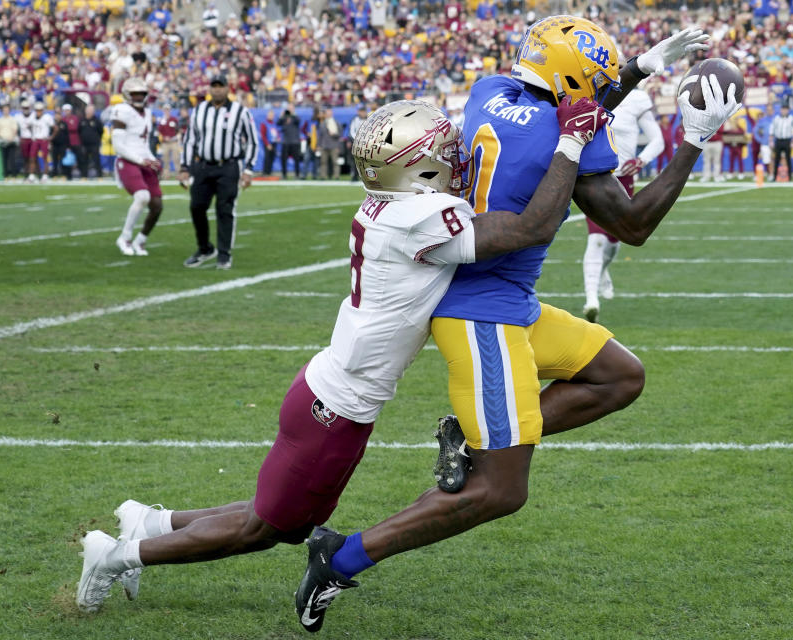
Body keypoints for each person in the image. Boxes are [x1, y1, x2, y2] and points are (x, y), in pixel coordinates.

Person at [73, 96, 610, 616]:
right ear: (416, 170)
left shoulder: (396, 205)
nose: (456, 158)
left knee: (282, 519)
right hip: (335, 407)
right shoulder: (419, 216)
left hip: (329, 393)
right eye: (443, 152)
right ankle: (115, 555)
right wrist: (569, 141)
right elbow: (531, 227)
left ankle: (151, 521)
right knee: (265, 529)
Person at [292, 18, 739, 634]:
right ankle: (339, 556)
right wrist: (693, 138)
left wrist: (638, 68)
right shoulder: (562, 134)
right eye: (597, 78)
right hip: (482, 316)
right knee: (500, 490)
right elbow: (631, 225)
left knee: (618, 376)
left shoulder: (489, 90)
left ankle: (470, 436)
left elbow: (564, 109)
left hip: (506, 302)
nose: (602, 85)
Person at [582, 88, 664, 323]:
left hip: (622, 178)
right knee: (596, 238)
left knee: (614, 240)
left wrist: (642, 160)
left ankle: (603, 270)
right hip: (593, 174)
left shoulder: (637, 98)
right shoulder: (590, 92)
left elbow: (657, 139)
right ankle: (591, 299)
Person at [179, 74, 259, 269]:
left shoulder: (240, 111)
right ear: (209, 88)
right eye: (213, 86)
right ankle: (205, 248)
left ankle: (224, 254)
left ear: (227, 89)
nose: (216, 89)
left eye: (220, 86)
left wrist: (248, 169)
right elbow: (190, 140)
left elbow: (252, 141)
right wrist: (184, 167)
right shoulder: (199, 110)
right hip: (203, 165)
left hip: (228, 166)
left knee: (225, 209)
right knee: (196, 206)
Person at [111, 77, 164, 257]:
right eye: (135, 94)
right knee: (142, 196)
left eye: (142, 93)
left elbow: (143, 143)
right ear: (127, 94)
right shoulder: (121, 110)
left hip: (143, 159)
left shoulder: (147, 113)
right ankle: (124, 237)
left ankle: (140, 240)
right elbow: (118, 146)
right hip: (127, 160)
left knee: (157, 204)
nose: (139, 97)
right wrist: (140, 160)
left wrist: (152, 159)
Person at [769, 102, 793, 181]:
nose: (784, 111)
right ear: (781, 110)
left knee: (788, 159)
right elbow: (772, 130)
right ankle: (774, 177)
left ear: (788, 110)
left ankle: (789, 177)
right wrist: (771, 141)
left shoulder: (791, 119)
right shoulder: (776, 118)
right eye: (783, 109)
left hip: (787, 140)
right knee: (776, 159)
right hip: (778, 140)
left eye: (785, 109)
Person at [29, 101, 54, 182]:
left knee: (45, 157)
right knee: (32, 157)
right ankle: (32, 175)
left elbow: (55, 128)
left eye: (40, 110)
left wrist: (50, 137)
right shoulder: (32, 117)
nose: (38, 112)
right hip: (36, 139)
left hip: (44, 140)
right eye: (37, 110)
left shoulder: (47, 117)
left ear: (42, 110)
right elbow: (28, 126)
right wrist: (33, 135)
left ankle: (45, 175)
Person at [0, 104, 19, 178]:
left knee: (12, 159)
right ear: (2, 111)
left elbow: (15, 130)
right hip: (3, 141)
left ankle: (14, 175)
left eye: (7, 110)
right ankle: (5, 175)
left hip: (11, 141)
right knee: (4, 159)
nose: (6, 111)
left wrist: (12, 137)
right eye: (4, 110)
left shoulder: (12, 120)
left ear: (9, 111)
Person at [316, 108, 342, 180]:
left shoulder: (336, 123)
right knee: (323, 162)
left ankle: (336, 176)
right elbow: (320, 136)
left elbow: (340, 134)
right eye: (327, 113)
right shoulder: (322, 124)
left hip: (334, 145)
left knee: (335, 162)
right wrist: (318, 145)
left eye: (329, 113)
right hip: (324, 145)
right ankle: (323, 176)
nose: (328, 115)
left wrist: (334, 134)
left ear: (331, 114)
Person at [157, 105, 182, 179]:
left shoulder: (174, 119)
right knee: (165, 159)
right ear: (163, 111)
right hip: (165, 143)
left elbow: (178, 129)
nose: (166, 111)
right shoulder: (162, 120)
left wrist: (174, 137)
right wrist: (164, 137)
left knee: (176, 158)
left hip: (174, 141)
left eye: (168, 110)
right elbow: (159, 131)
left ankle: (179, 174)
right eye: (165, 110)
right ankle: (166, 174)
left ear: (170, 110)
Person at [79, 104, 104, 178]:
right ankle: (84, 176)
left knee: (96, 160)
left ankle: (99, 175)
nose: (90, 112)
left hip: (94, 144)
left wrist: (96, 139)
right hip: (84, 144)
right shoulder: (82, 120)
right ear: (85, 111)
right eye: (88, 110)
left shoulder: (97, 121)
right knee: (84, 160)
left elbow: (101, 131)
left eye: (91, 110)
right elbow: (79, 131)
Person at [277, 108, 302, 179]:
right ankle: (284, 174)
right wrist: (281, 115)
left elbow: (298, 121)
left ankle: (297, 174)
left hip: (294, 142)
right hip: (286, 142)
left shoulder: (295, 118)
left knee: (296, 160)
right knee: (283, 160)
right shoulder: (284, 118)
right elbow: (278, 123)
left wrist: (293, 113)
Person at [346, 106, 367, 181]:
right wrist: (358, 139)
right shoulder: (355, 120)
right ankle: (354, 176)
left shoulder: (368, 119)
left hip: (365, 143)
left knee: (365, 161)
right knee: (355, 160)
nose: (363, 113)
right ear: (358, 112)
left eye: (364, 111)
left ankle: (366, 177)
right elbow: (352, 131)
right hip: (356, 143)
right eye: (361, 111)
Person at [16, 99, 35, 181]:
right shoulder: (18, 117)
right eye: (24, 108)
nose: (26, 109)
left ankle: (33, 174)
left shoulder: (34, 115)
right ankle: (26, 174)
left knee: (33, 157)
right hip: (24, 139)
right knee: (25, 158)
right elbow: (17, 129)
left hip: (33, 139)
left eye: (27, 107)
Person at [259, 109, 280, 176]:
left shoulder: (274, 123)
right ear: (268, 115)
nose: (271, 116)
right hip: (268, 143)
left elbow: (276, 132)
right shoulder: (264, 123)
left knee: (272, 158)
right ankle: (265, 172)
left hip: (274, 143)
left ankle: (269, 172)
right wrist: (267, 144)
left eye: (272, 115)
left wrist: (278, 138)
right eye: (270, 115)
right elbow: (263, 135)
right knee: (267, 158)